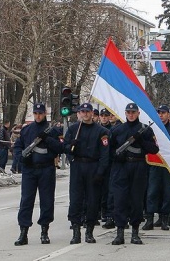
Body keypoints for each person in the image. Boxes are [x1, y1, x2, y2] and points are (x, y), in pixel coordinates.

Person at [12, 103, 64, 246]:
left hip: (46, 169)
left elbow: (60, 148)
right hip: (29, 169)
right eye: (36, 113)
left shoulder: (52, 131)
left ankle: (44, 231)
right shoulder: (27, 130)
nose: (38, 116)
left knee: (47, 200)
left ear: (44, 114)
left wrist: (47, 139)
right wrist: (21, 158)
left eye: (40, 113)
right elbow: (17, 146)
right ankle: (23, 232)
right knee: (26, 200)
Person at [109, 103, 159, 245]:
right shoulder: (117, 130)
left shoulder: (145, 130)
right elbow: (110, 150)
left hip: (138, 166)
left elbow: (154, 149)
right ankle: (120, 233)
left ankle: (135, 233)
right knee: (119, 200)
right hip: (121, 167)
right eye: (128, 112)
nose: (131, 114)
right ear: (125, 113)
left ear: (138, 113)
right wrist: (116, 157)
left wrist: (141, 141)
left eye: (133, 112)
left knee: (136, 200)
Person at [64, 103, 111, 244]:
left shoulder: (102, 131)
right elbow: (65, 147)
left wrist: (100, 172)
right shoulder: (73, 129)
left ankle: (89, 231)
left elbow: (105, 154)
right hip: (78, 166)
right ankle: (76, 231)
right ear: (78, 113)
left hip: (93, 166)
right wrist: (71, 149)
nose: (85, 114)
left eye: (87, 111)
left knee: (92, 200)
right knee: (76, 199)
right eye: (82, 111)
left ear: (92, 113)